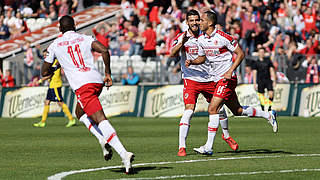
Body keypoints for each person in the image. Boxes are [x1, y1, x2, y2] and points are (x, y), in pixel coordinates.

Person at [41, 15, 134, 174]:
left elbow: (43, 72)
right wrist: (108, 74)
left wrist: (53, 69)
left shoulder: (55, 45)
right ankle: (102, 139)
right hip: (96, 81)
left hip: (83, 86)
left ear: (60, 29)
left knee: (100, 119)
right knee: (79, 113)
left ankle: (124, 153)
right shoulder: (85, 37)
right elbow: (104, 50)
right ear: (75, 26)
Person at [185, 11, 278, 155]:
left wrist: (230, 70)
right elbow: (202, 58)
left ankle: (208, 147)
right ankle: (268, 115)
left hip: (227, 79)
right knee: (238, 111)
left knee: (212, 109)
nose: (198, 22)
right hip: (215, 79)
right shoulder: (201, 39)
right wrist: (192, 61)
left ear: (209, 23)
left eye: (201, 20)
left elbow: (240, 54)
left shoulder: (224, 37)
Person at [171, 9, 238, 157]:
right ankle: (182, 147)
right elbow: (172, 53)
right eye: (192, 20)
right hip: (191, 80)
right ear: (187, 22)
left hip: (209, 78)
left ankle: (226, 136)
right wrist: (182, 43)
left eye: (197, 20)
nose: (195, 23)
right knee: (189, 111)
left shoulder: (206, 34)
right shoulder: (182, 37)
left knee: (220, 109)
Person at [33, 49, 76, 128]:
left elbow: (50, 75)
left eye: (46, 55)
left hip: (56, 85)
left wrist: (40, 80)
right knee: (47, 102)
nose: (45, 56)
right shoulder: (50, 62)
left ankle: (71, 119)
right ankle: (43, 122)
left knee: (60, 103)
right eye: (44, 55)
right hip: (51, 85)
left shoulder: (55, 62)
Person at [252, 47, 277, 111]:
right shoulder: (256, 62)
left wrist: (274, 80)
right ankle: (263, 110)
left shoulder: (268, 61)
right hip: (260, 80)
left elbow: (272, 70)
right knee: (262, 96)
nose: (261, 53)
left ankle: (269, 108)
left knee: (271, 94)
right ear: (258, 53)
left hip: (268, 79)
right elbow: (254, 73)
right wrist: (254, 83)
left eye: (263, 52)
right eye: (260, 52)